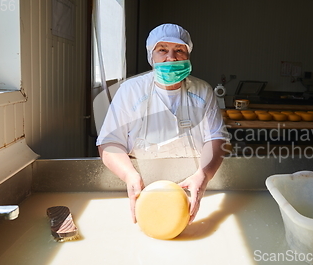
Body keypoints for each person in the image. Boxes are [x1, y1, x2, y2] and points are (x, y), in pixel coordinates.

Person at [96, 23, 229, 225]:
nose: (171, 58)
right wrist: (130, 175)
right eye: (162, 50)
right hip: (141, 189)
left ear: (188, 55)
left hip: (193, 187)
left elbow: (217, 138)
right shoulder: (130, 91)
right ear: (151, 56)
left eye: (179, 50)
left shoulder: (202, 91)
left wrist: (203, 176)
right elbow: (109, 143)